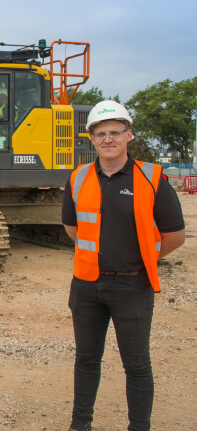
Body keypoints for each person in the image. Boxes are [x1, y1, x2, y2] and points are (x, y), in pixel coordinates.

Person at [62, 100, 185, 431]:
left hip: (132, 285)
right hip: (87, 286)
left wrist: (143, 257)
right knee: (86, 360)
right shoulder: (78, 177)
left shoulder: (152, 178)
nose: (108, 139)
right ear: (91, 139)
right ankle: (80, 425)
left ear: (129, 135)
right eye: (100, 133)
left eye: (115, 132)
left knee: (137, 364)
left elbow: (175, 235)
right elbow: (73, 229)